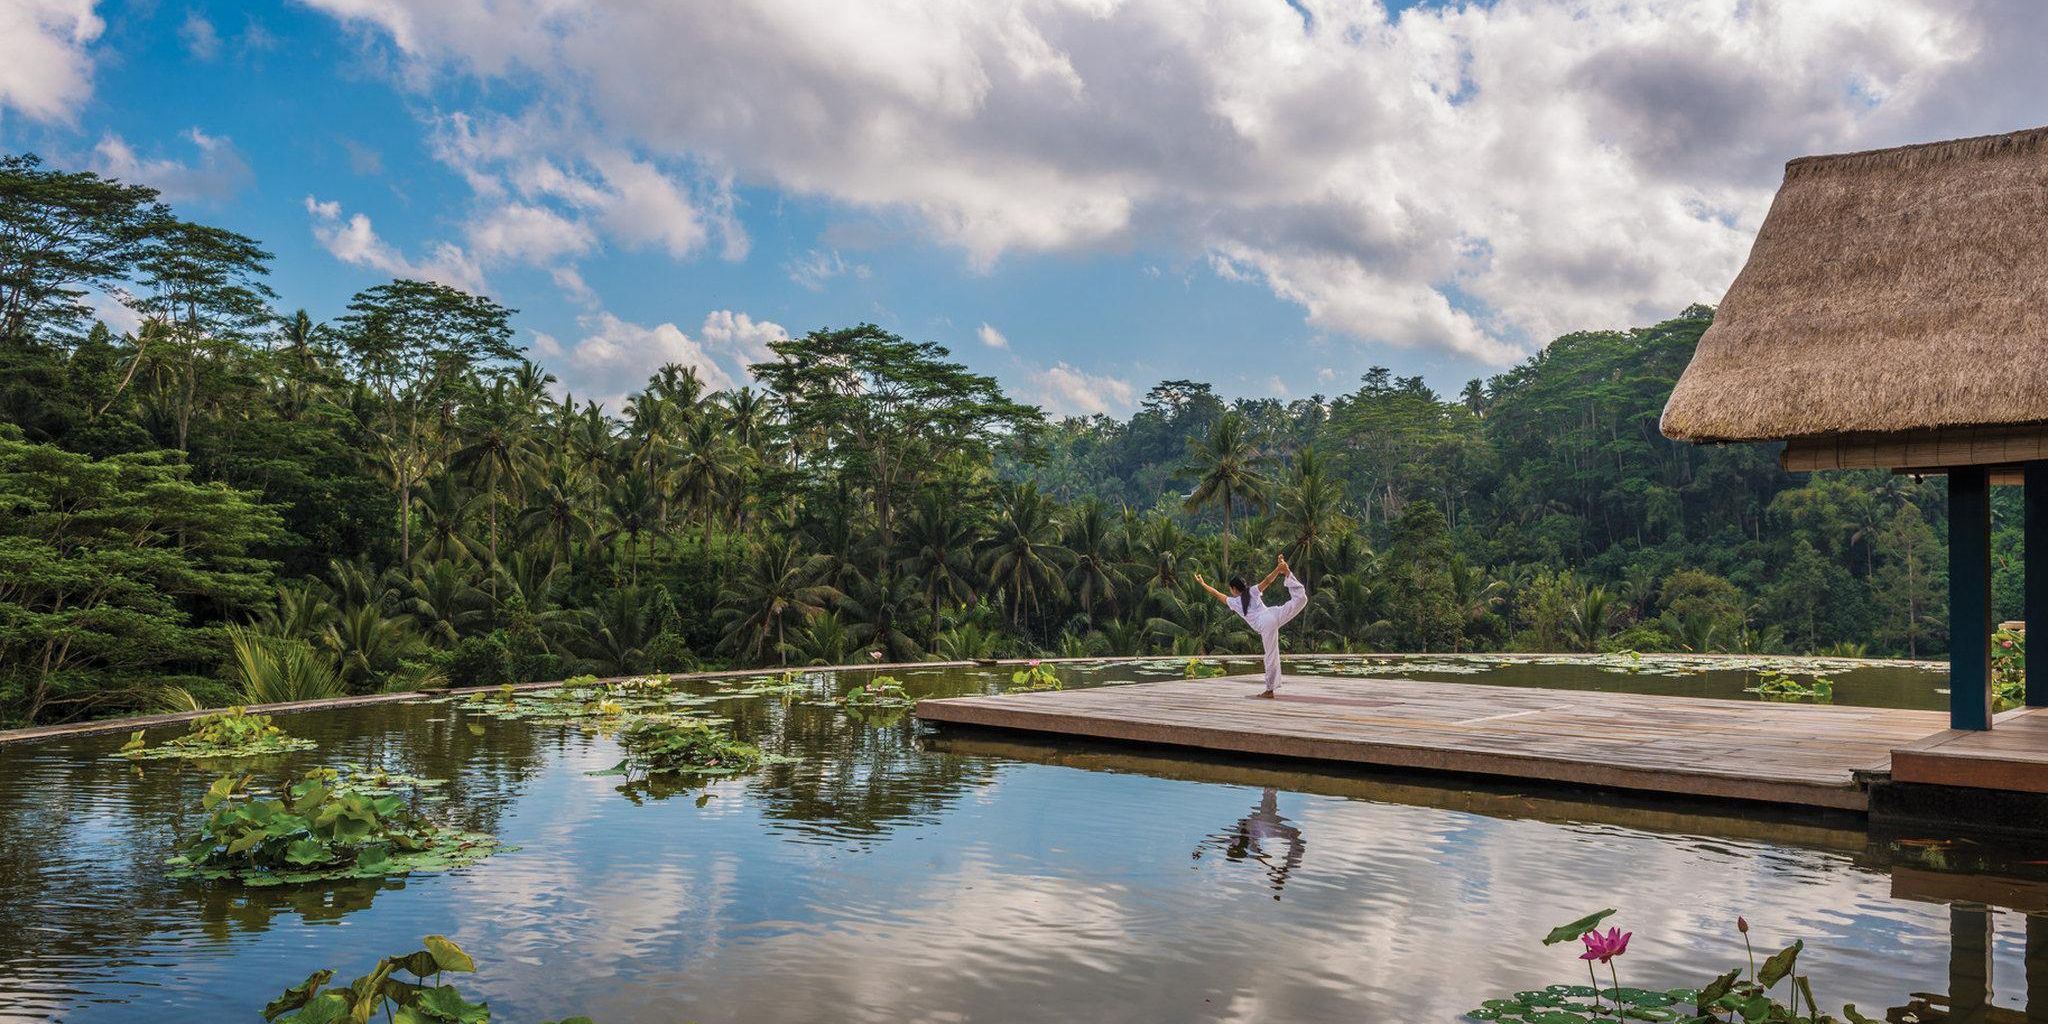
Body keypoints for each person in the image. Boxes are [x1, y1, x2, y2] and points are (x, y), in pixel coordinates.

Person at [1193, 554, 1308, 697]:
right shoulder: (1252, 591)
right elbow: (1267, 581)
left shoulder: (1235, 602)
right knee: (1300, 600)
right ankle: (1288, 573)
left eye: (1230, 589)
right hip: (1273, 613)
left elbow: (1217, 594)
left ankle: (1269, 690)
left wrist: (1203, 584)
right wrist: (1278, 570)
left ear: (1234, 589)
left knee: (1271, 655)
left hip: (1265, 624)